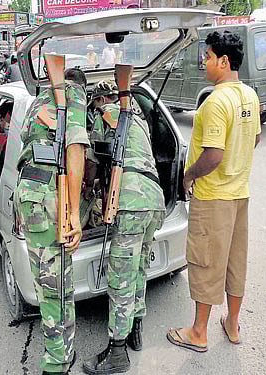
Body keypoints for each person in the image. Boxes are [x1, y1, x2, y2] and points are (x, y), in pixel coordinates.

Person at [166, 31, 261, 352]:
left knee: (205, 262)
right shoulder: (250, 94)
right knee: (236, 261)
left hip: (213, 197)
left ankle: (198, 332)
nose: (204, 63)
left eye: (207, 57)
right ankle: (232, 325)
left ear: (223, 61)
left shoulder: (216, 101)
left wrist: (188, 176)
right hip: (239, 195)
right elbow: (255, 139)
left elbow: (213, 154)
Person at [82, 80, 166, 375]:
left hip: (130, 200)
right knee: (140, 266)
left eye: (95, 104)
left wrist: (86, 189)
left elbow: (91, 164)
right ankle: (135, 330)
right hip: (155, 198)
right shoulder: (138, 117)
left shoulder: (106, 114)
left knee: (121, 277)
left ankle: (117, 352)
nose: (95, 109)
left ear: (100, 99)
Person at [14, 68, 89, 375]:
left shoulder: (37, 102)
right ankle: (56, 364)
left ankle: (64, 351)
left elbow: (27, 148)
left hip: (29, 191)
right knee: (54, 289)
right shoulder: (74, 94)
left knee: (55, 282)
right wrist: (73, 214)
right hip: (48, 196)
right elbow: (75, 148)